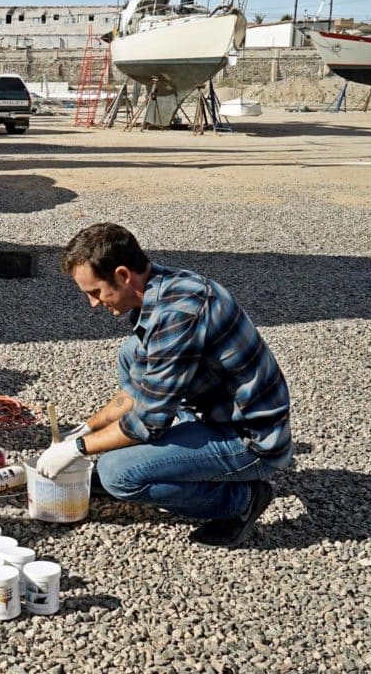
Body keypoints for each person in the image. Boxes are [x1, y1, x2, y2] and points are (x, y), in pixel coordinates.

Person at [37, 223, 293, 548]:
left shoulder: (177, 314)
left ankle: (241, 500)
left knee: (118, 474)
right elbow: (137, 391)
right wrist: (85, 430)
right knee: (133, 352)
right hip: (216, 410)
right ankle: (165, 454)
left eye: (96, 292)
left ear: (123, 275)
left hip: (252, 440)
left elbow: (147, 422)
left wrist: (77, 450)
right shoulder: (161, 287)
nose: (93, 303)